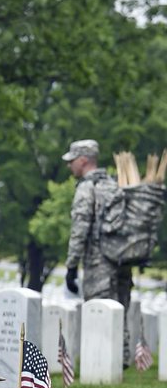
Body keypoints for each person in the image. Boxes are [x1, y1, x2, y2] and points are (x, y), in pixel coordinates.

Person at [63, 138, 132, 361]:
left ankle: (102, 362)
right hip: (122, 259)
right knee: (119, 309)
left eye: (72, 160)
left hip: (98, 262)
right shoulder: (115, 184)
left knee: (98, 310)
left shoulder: (87, 188)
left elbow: (79, 228)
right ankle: (120, 357)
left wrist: (71, 265)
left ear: (83, 161)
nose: (69, 165)